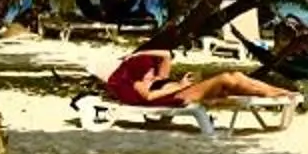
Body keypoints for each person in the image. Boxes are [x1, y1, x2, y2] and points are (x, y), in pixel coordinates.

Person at [103, 47, 294, 108]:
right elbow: (150, 98)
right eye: (148, 70)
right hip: (178, 96)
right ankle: (275, 95)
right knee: (226, 78)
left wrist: (140, 53)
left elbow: (167, 54)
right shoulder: (138, 83)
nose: (152, 72)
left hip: (182, 91)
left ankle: (280, 92)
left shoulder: (156, 77)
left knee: (236, 75)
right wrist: (180, 85)